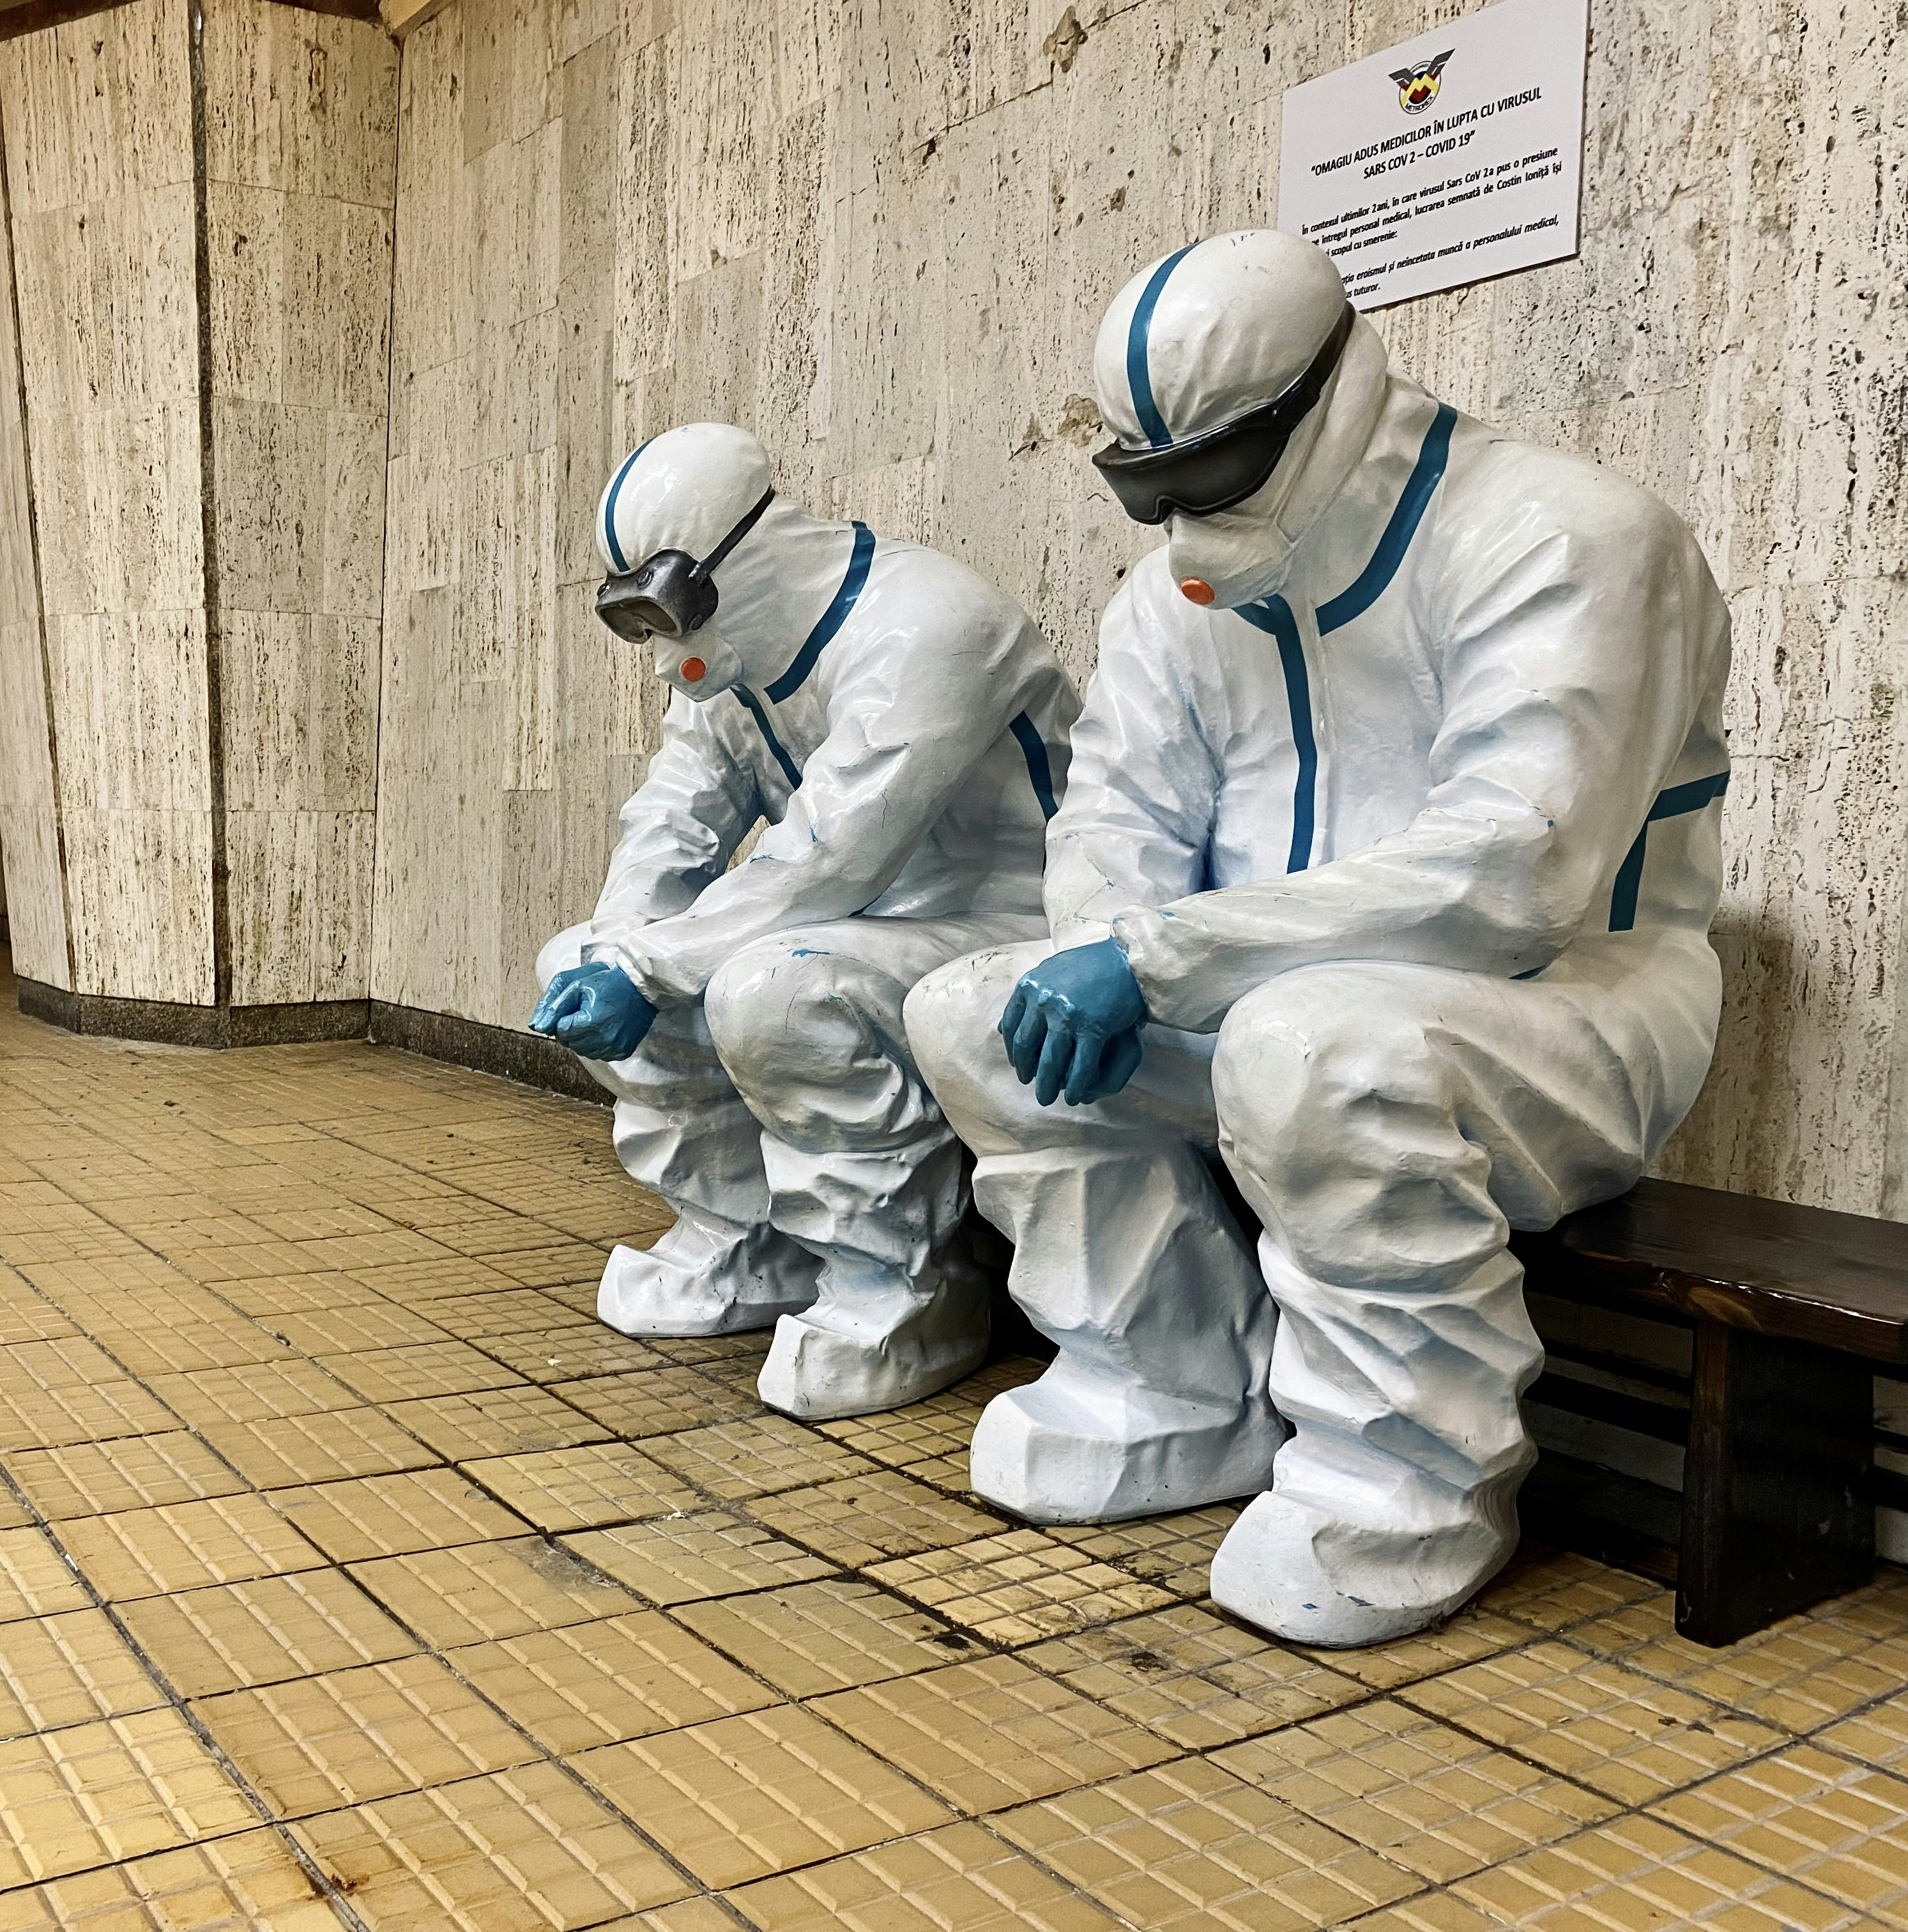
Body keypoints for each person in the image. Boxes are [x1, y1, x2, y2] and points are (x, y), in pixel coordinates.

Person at [903, 231, 1732, 1644]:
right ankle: (1170, 1382)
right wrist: (1101, 951)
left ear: (1332, 398)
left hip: (1575, 1008)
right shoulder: (1175, 597)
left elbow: (1512, 876)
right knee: (977, 1011)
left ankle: (1405, 1483)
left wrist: (1157, 961)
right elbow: (1114, 820)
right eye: (1142, 485)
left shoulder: (1567, 535)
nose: (1178, 519)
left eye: (1207, 472)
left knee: (1311, 1046)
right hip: (1272, 1005)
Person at [532, 422, 1080, 1420]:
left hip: (1003, 925)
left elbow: (835, 849)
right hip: (846, 928)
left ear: (743, 556)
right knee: (580, 955)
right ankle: (747, 1238)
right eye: (636, 625)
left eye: (668, 616)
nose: (664, 661)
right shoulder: (729, 661)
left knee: (775, 986)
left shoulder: (926, 623)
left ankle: (908, 1290)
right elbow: (676, 820)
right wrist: (615, 950)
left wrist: (650, 966)